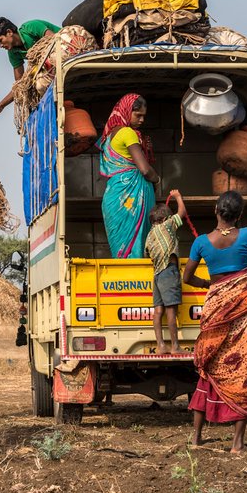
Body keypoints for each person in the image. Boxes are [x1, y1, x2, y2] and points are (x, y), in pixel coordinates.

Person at [183, 191, 247, 453]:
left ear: (216, 211)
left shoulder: (201, 243)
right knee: (244, 369)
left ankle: (196, 438)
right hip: (246, 309)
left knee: (210, 368)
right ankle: (237, 443)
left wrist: (209, 284)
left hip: (215, 307)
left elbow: (187, 278)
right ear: (239, 215)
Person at [98, 93, 160, 259]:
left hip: (113, 197)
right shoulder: (128, 133)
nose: (141, 120)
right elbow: (145, 170)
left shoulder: (109, 136)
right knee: (136, 249)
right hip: (130, 197)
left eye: (143, 116)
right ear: (126, 111)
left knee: (120, 252)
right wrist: (157, 179)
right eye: (138, 115)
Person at [0, 17, 61, 123]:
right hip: (50, 70)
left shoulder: (30, 27)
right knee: (32, 89)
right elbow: (20, 85)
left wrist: (37, 65)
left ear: (9, 32)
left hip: (64, 52)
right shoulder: (13, 53)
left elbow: (55, 40)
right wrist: (0, 106)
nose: (0, 46)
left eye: (0, 41)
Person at [145, 190, 188, 355]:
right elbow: (182, 213)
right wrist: (178, 196)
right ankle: (175, 347)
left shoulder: (149, 236)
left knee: (158, 311)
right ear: (164, 219)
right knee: (171, 310)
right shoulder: (168, 225)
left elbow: (147, 254)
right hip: (169, 272)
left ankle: (161, 345)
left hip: (156, 275)